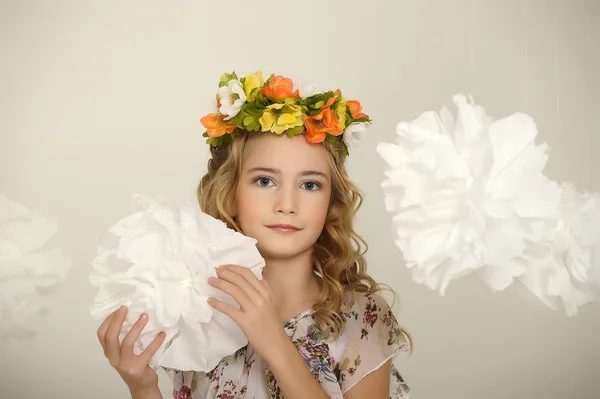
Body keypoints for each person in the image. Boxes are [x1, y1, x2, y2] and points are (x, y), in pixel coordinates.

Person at [96, 71, 412, 398]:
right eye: (265, 181)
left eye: (309, 184)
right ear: (230, 194)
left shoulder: (360, 317)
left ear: (331, 202)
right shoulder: (199, 311)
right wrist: (143, 387)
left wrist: (274, 342)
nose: (287, 204)